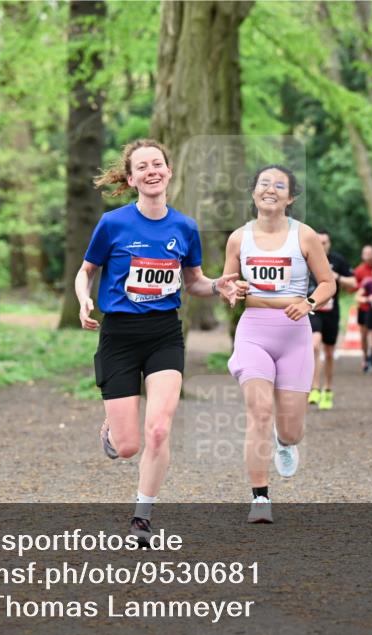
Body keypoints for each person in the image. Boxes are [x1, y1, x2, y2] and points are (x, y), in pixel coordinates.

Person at [75, 139, 238, 547]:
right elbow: (86, 270)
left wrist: (220, 285)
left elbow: (194, 282)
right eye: (142, 166)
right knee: (128, 446)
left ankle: (142, 518)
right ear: (131, 179)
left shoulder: (184, 227)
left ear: (167, 172)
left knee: (160, 429)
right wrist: (84, 299)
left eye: (157, 164)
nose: (151, 170)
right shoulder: (113, 224)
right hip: (119, 336)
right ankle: (112, 431)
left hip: (164, 333)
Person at [222, 165, 336, 524]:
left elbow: (328, 283)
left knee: (291, 429)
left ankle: (284, 442)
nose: (270, 189)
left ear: (290, 198)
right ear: (254, 193)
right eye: (263, 184)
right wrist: (234, 289)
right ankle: (260, 498)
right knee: (258, 411)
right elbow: (228, 283)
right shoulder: (239, 238)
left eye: (279, 186)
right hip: (254, 329)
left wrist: (309, 303)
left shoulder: (305, 236)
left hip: (294, 335)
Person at [307, 230, 357, 409]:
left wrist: (337, 278)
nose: (322, 245)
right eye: (318, 242)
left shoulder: (338, 260)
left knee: (328, 353)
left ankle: (327, 389)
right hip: (313, 310)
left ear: (329, 244)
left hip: (331, 312)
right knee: (314, 345)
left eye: (325, 242)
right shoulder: (306, 258)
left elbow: (354, 283)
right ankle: (314, 387)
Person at [353, 245, 372, 372]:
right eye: (366, 253)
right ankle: (365, 357)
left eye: (370, 253)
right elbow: (353, 286)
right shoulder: (359, 271)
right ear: (362, 256)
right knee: (363, 335)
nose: (368, 255)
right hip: (363, 307)